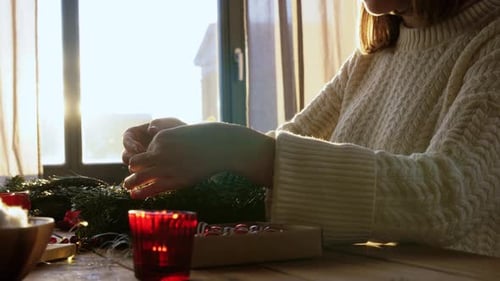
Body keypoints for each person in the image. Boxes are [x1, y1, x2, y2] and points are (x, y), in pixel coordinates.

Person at [122, 0, 500, 257]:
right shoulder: (370, 59)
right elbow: (280, 156)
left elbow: (451, 196)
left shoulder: (491, 40)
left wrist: (241, 150)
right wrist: (198, 149)